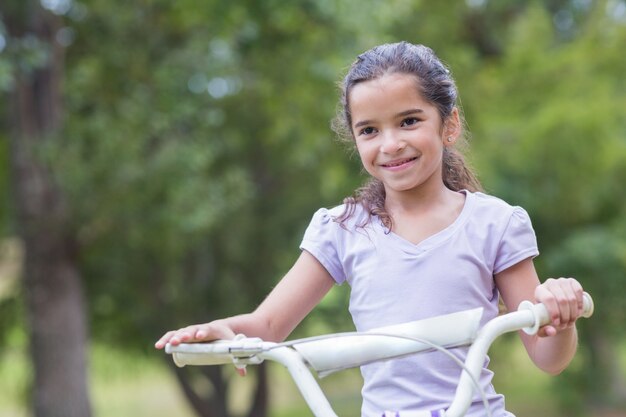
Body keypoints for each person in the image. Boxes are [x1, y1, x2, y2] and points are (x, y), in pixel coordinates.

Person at [155, 41, 585, 416]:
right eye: (369, 130)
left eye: (409, 121)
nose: (390, 144)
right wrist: (225, 330)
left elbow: (547, 356)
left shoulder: (494, 224)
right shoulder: (342, 228)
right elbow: (268, 325)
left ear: (448, 124)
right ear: (355, 139)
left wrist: (559, 317)